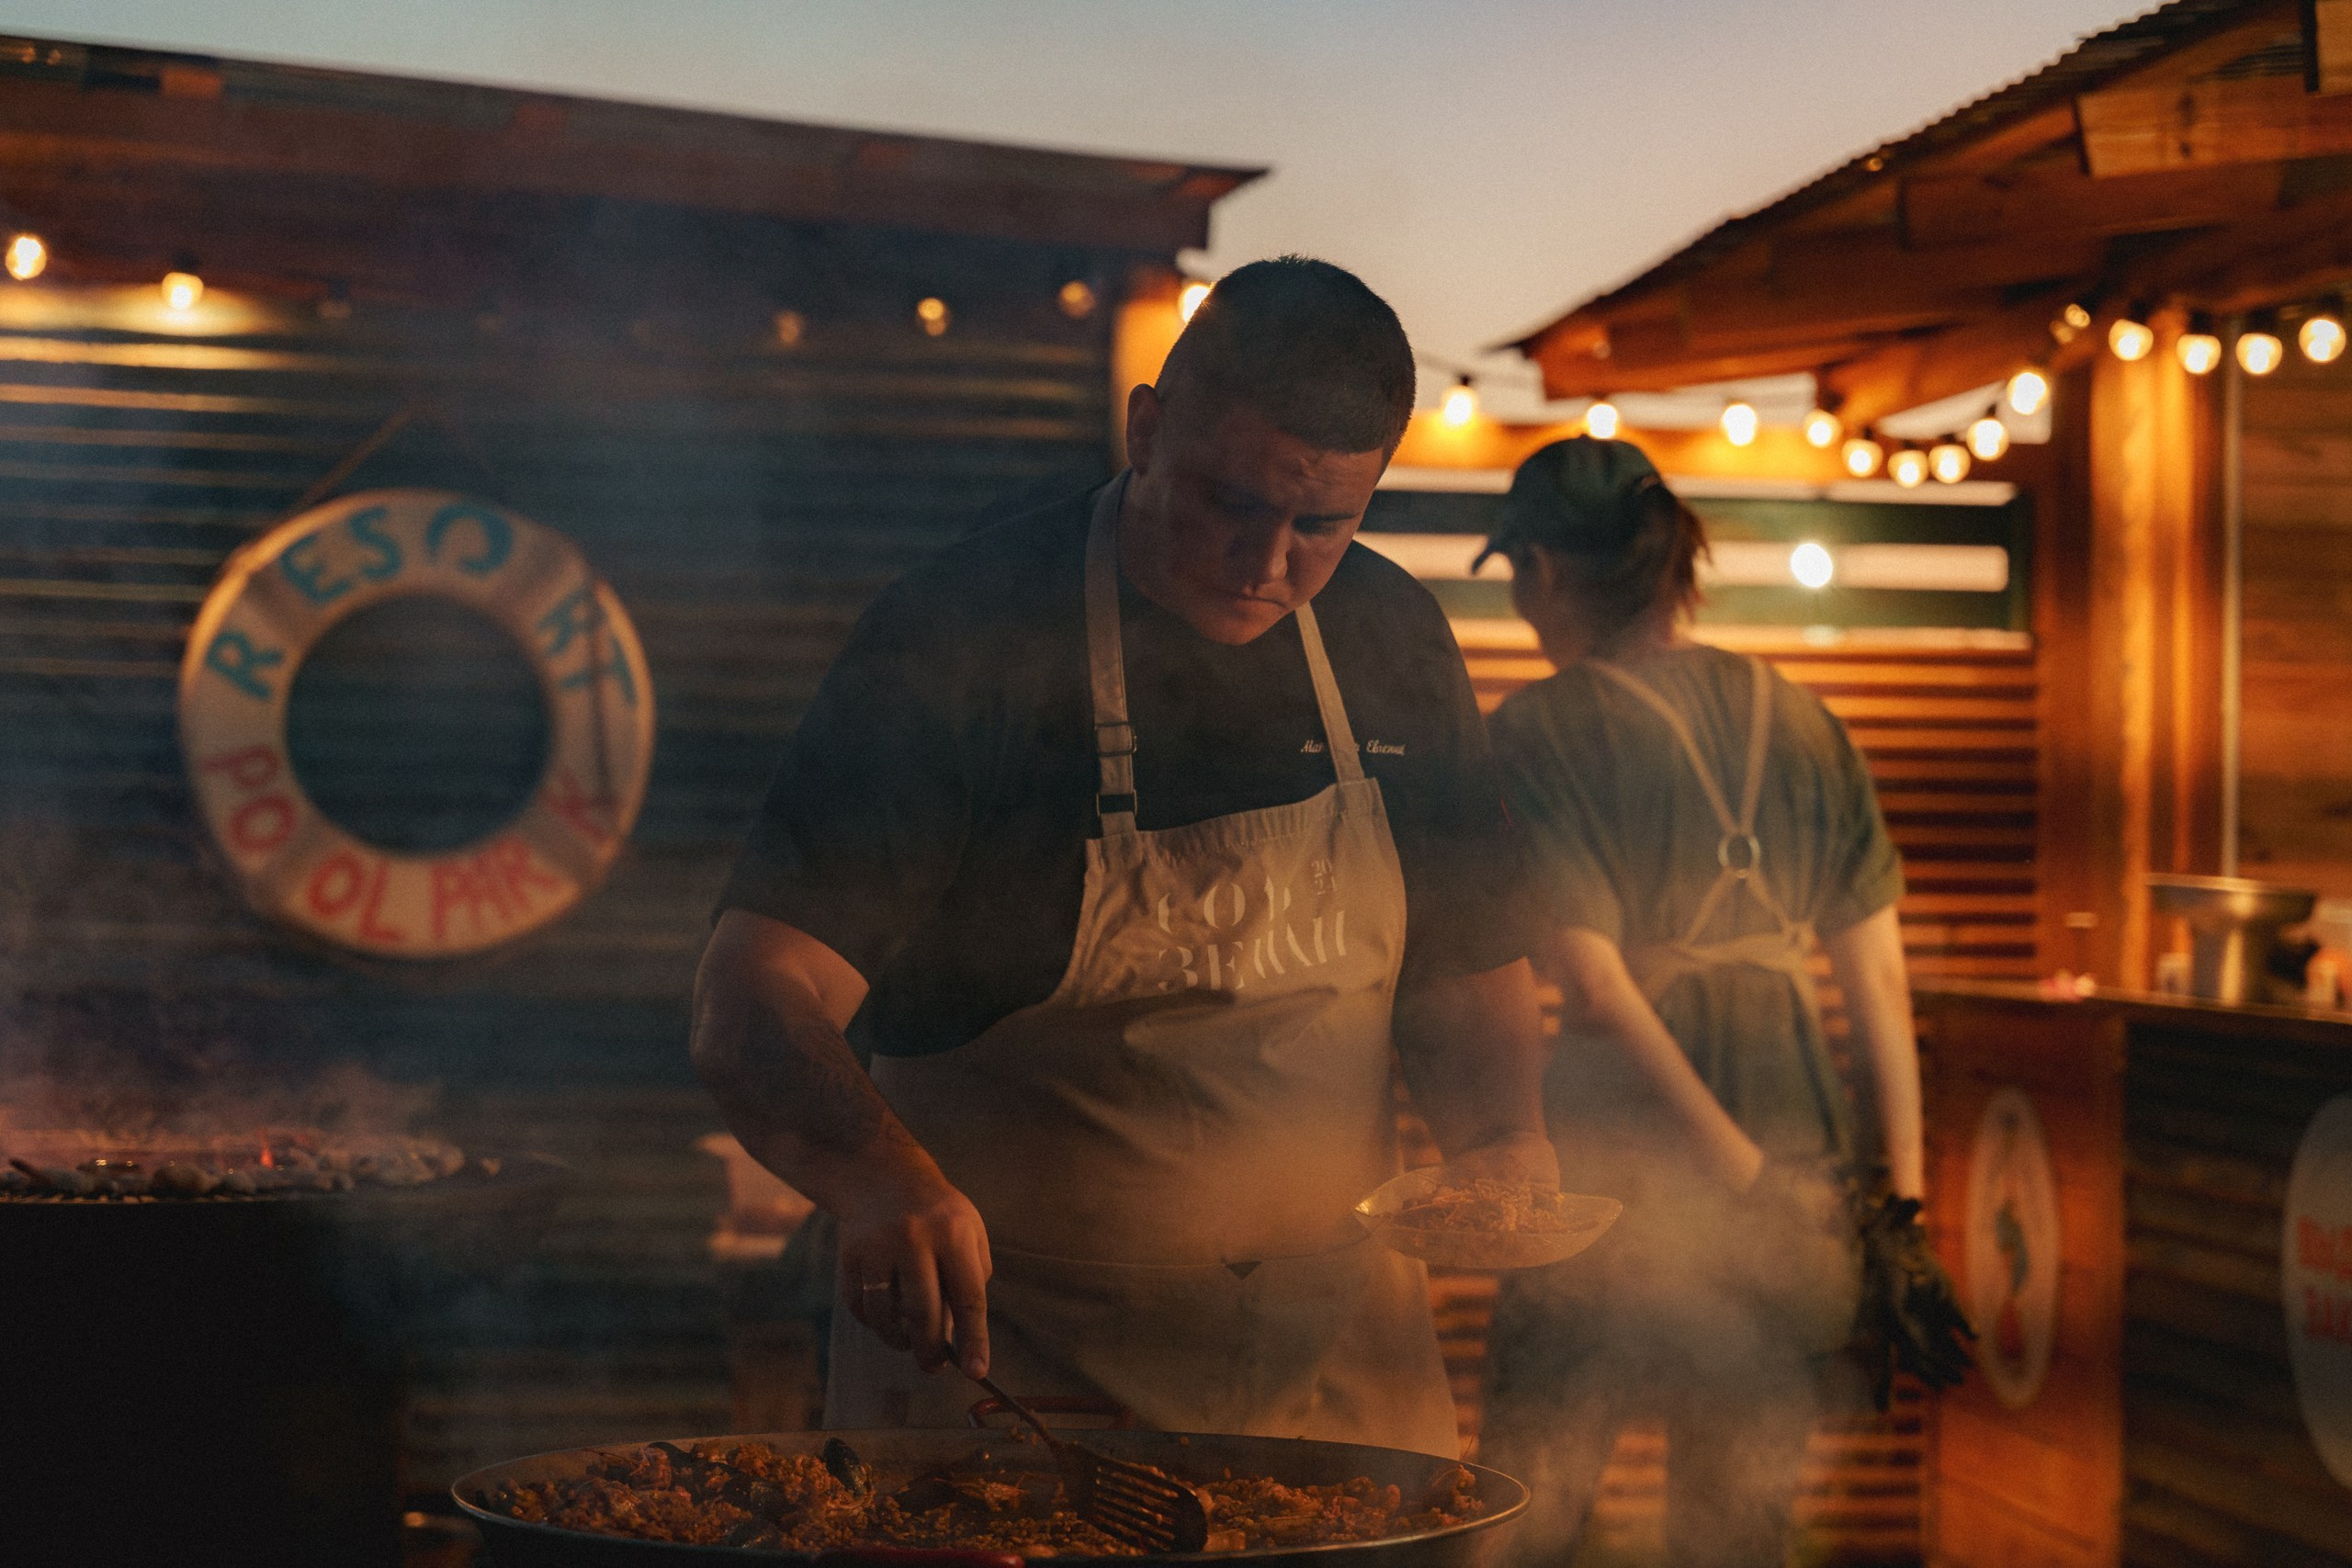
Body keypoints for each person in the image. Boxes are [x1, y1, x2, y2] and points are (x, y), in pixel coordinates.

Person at [692, 256, 1555, 1455]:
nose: (1266, 564)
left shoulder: (1391, 634)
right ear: (1147, 426)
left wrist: (1506, 1135)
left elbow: (1470, 962)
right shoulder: (964, 633)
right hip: (1017, 1383)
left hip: (1340, 1378)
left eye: (1322, 524)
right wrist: (881, 1177)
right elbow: (754, 995)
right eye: (1229, 501)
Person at [1474, 437, 1948, 1567]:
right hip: (1802, 1198)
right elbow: (1877, 980)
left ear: (1541, 571)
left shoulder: (1536, 733)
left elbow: (1594, 985)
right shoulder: (1804, 721)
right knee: (1737, 1537)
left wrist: (1741, 1182)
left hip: (1608, 1203)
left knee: (1524, 1523)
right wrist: (1900, 1215)